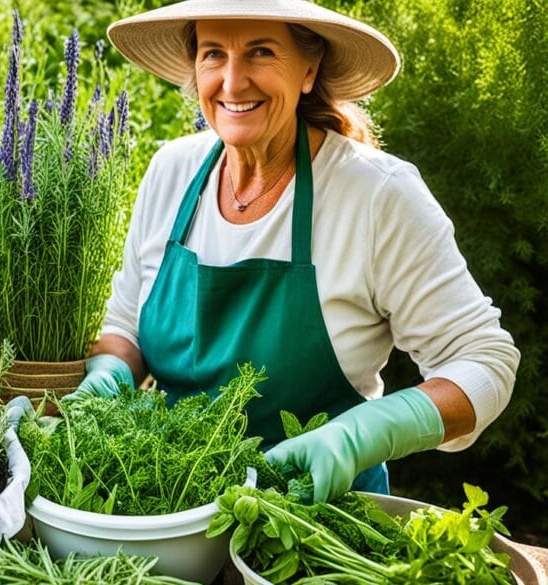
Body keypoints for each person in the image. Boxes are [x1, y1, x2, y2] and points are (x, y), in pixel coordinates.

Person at [64, 0, 520, 504]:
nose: (233, 83)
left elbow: (485, 361)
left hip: (311, 525)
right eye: (214, 54)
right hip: (165, 501)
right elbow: (125, 326)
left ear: (309, 68)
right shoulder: (172, 170)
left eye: (260, 52)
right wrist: (108, 376)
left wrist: (367, 431)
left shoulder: (375, 195)